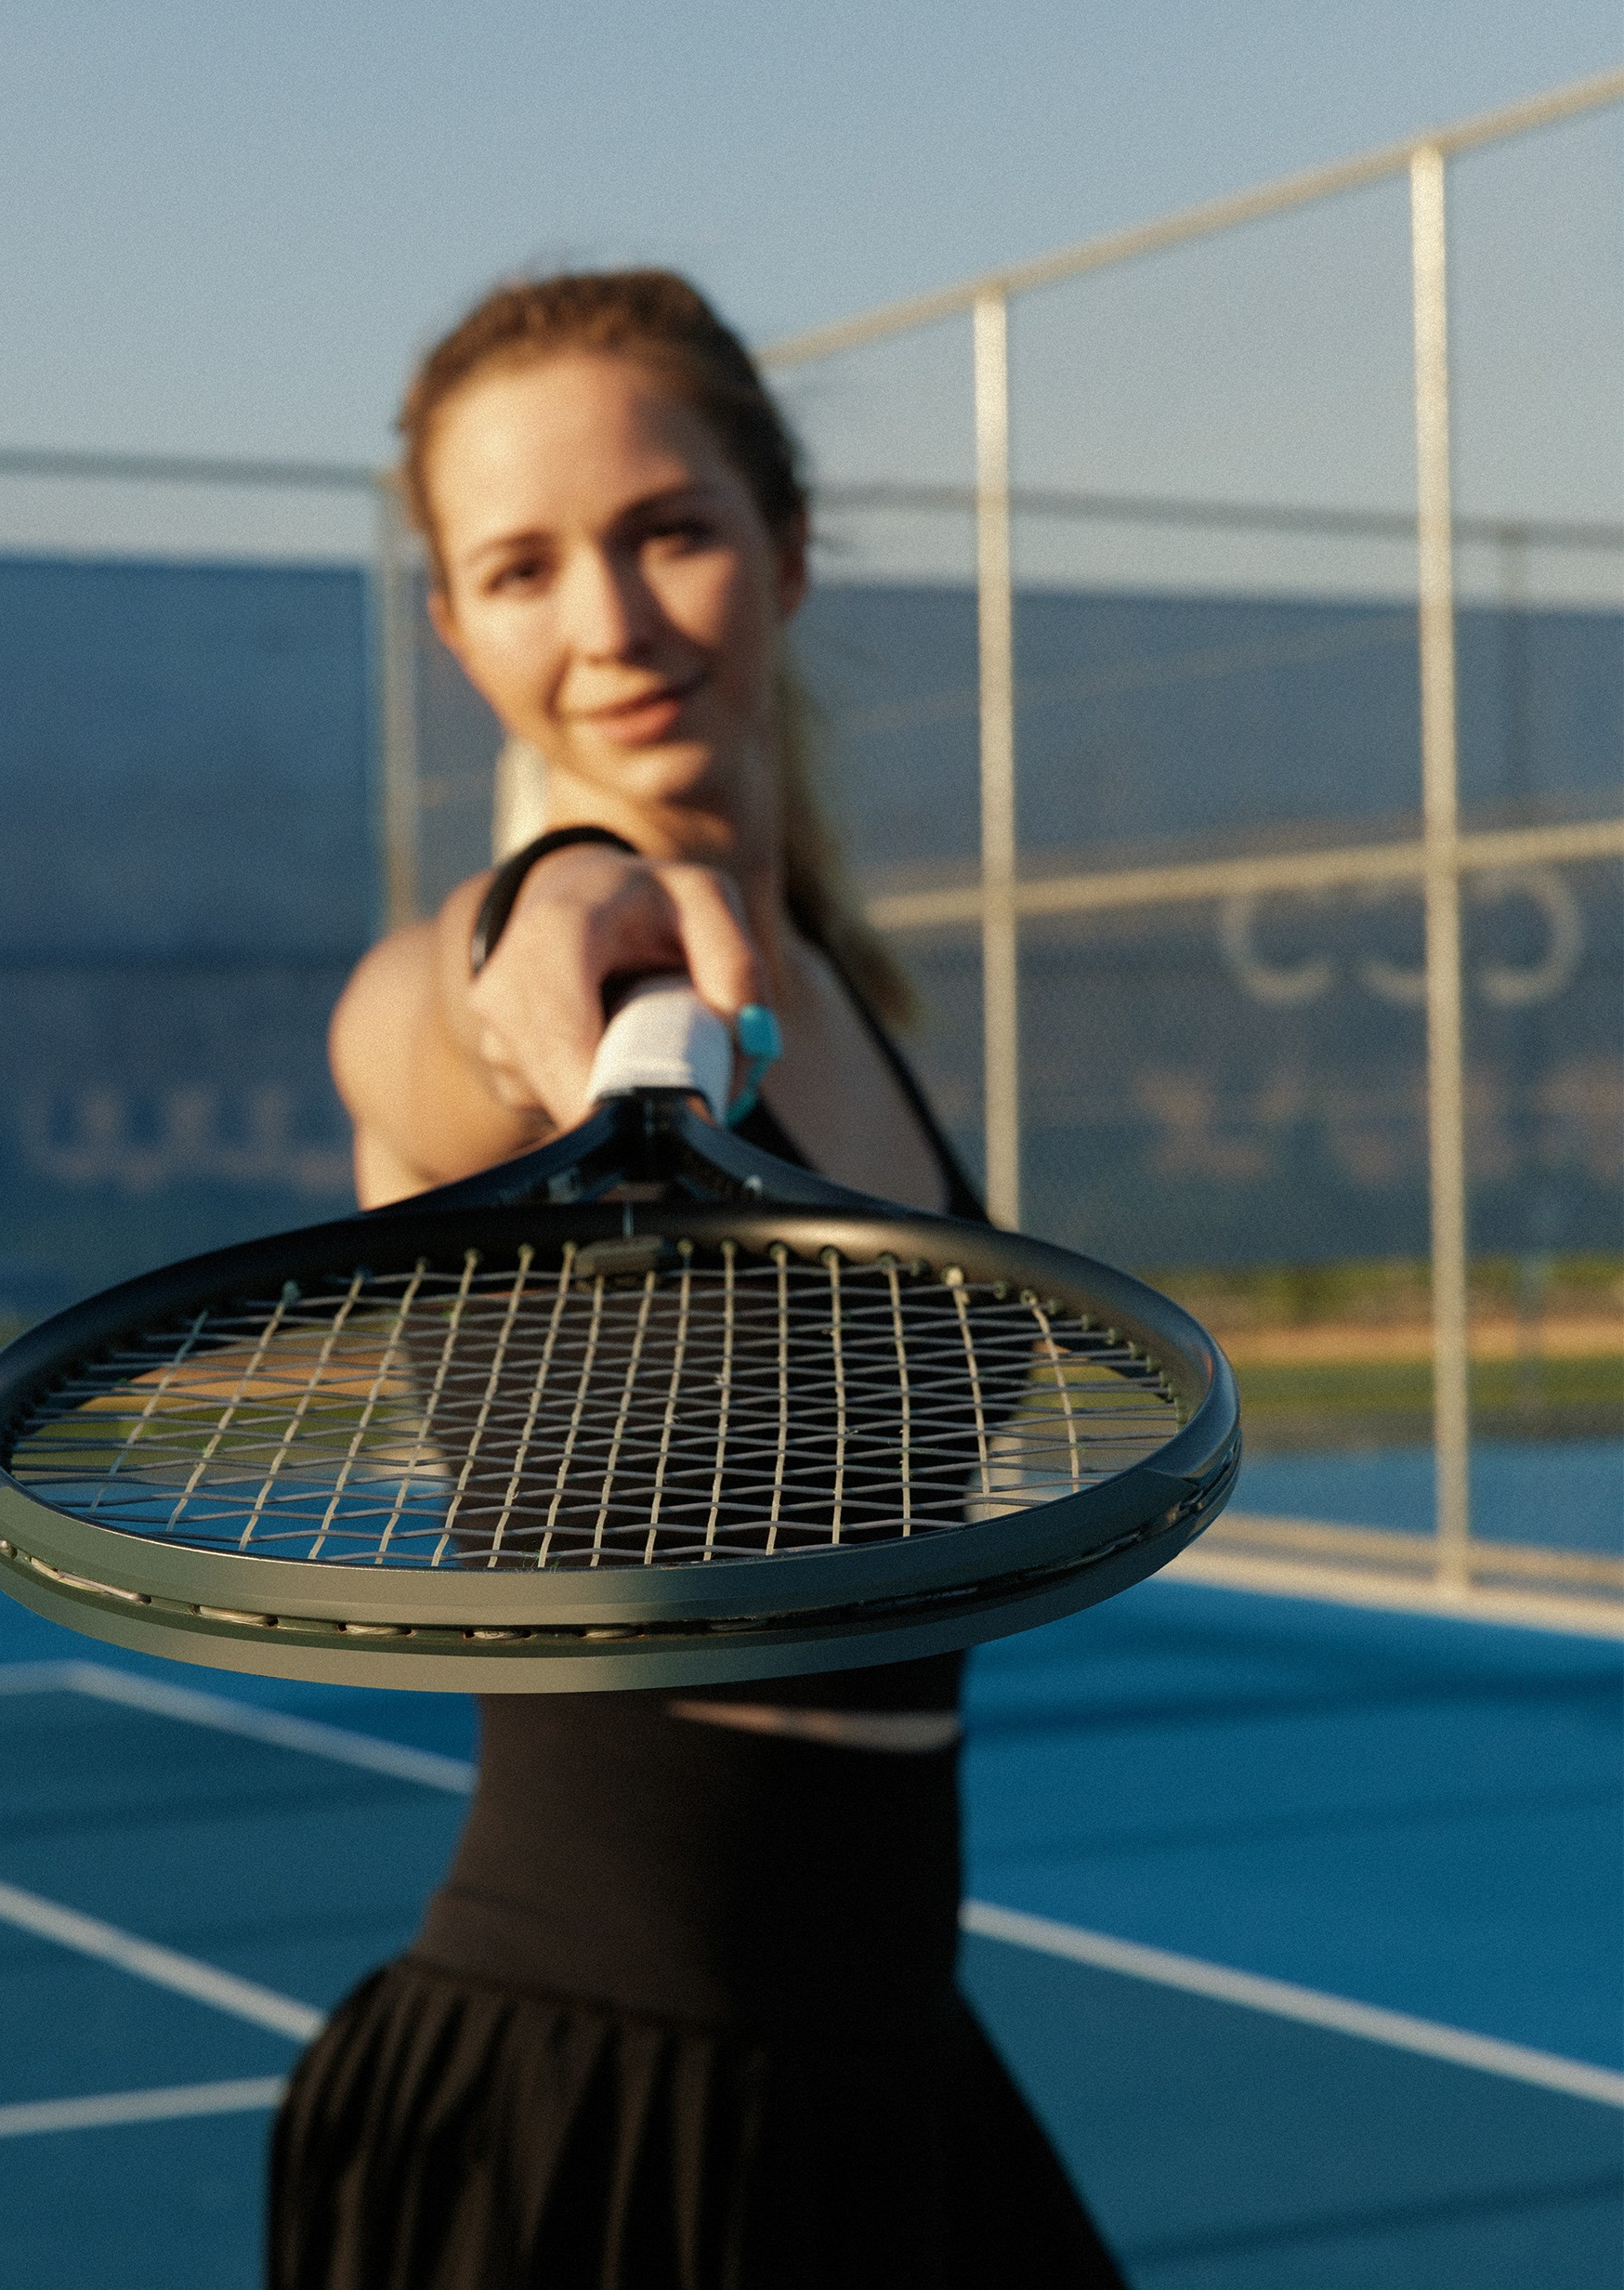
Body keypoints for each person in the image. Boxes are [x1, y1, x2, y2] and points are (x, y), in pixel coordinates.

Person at [268, 270, 1127, 2290]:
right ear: (453, 625)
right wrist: (546, 921)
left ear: (788, 545)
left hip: (894, 2072)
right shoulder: (502, 1025)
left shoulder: (843, 994)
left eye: (667, 530)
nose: (610, 622)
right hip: (585, 2116)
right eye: (522, 565)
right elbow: (428, 1021)